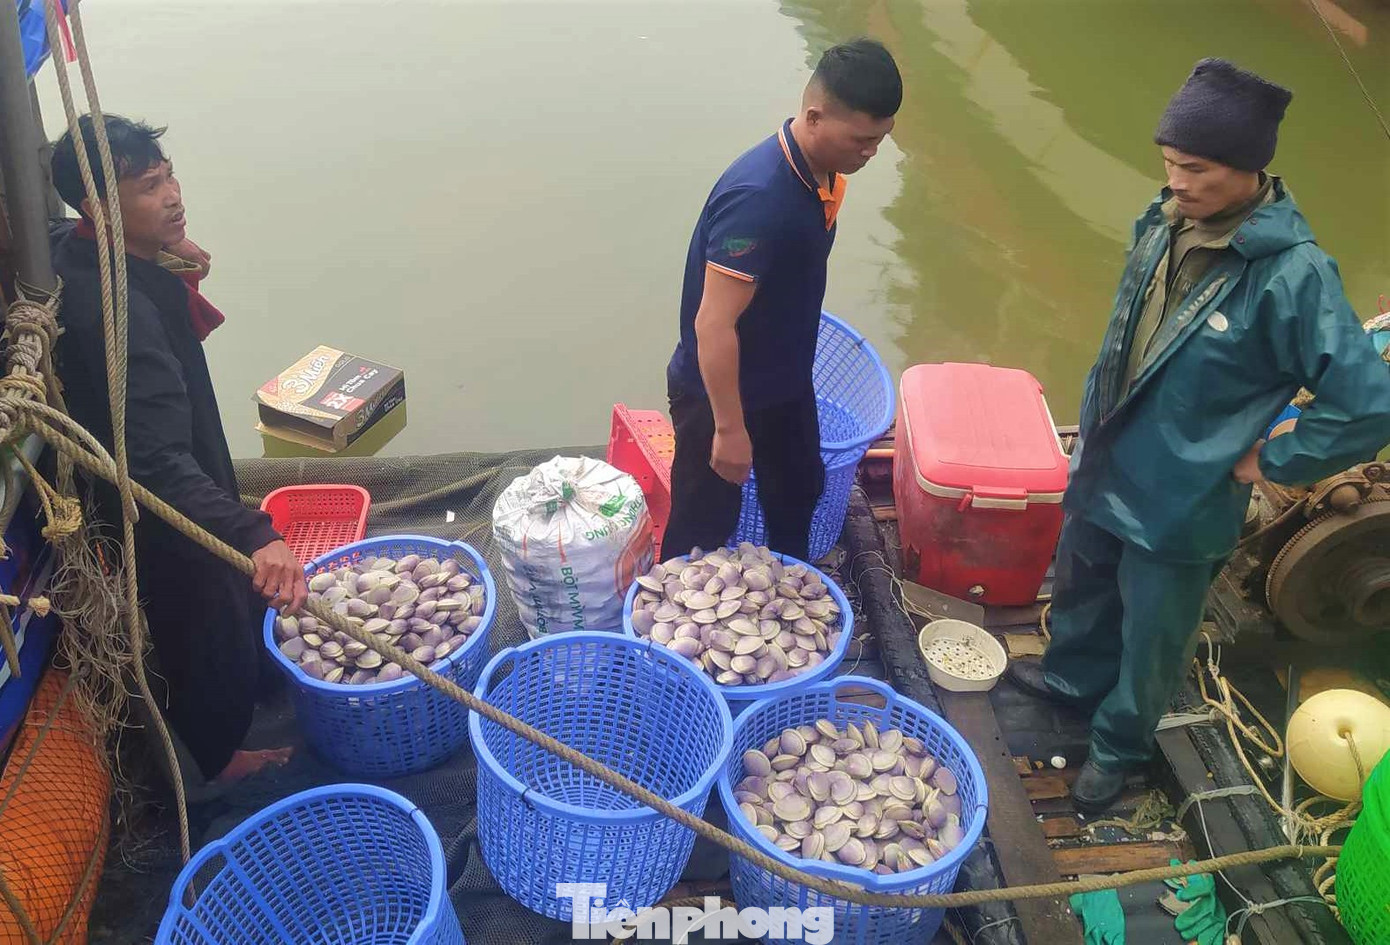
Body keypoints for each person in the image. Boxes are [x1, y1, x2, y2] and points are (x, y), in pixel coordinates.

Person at [1006, 59, 1390, 811]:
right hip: (1109, 455)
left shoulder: (1294, 277)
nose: (1176, 181)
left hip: (1185, 493)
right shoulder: (1163, 220)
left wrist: (1277, 456)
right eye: (1169, 163)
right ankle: (1070, 680)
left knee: (1155, 636)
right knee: (1082, 583)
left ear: (1248, 169)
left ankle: (1117, 744)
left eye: (1195, 168)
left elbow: (1368, 401)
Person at [49, 115, 307, 785]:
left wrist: (167, 249)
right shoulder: (119, 313)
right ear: (99, 208)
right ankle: (216, 761)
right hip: (154, 501)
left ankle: (250, 697)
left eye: (169, 178)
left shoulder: (81, 251)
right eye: (149, 188)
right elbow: (159, 462)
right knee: (204, 604)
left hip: (162, 459)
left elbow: (57, 231)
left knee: (222, 600)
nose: (172, 197)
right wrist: (253, 530)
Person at [661, 39, 901, 561]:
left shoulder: (827, 173)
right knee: (702, 525)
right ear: (814, 116)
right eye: (861, 139)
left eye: (881, 139)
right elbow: (713, 324)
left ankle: (790, 582)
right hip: (719, 391)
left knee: (799, 489)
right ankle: (674, 626)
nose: (871, 152)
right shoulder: (758, 200)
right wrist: (728, 429)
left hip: (784, 380)